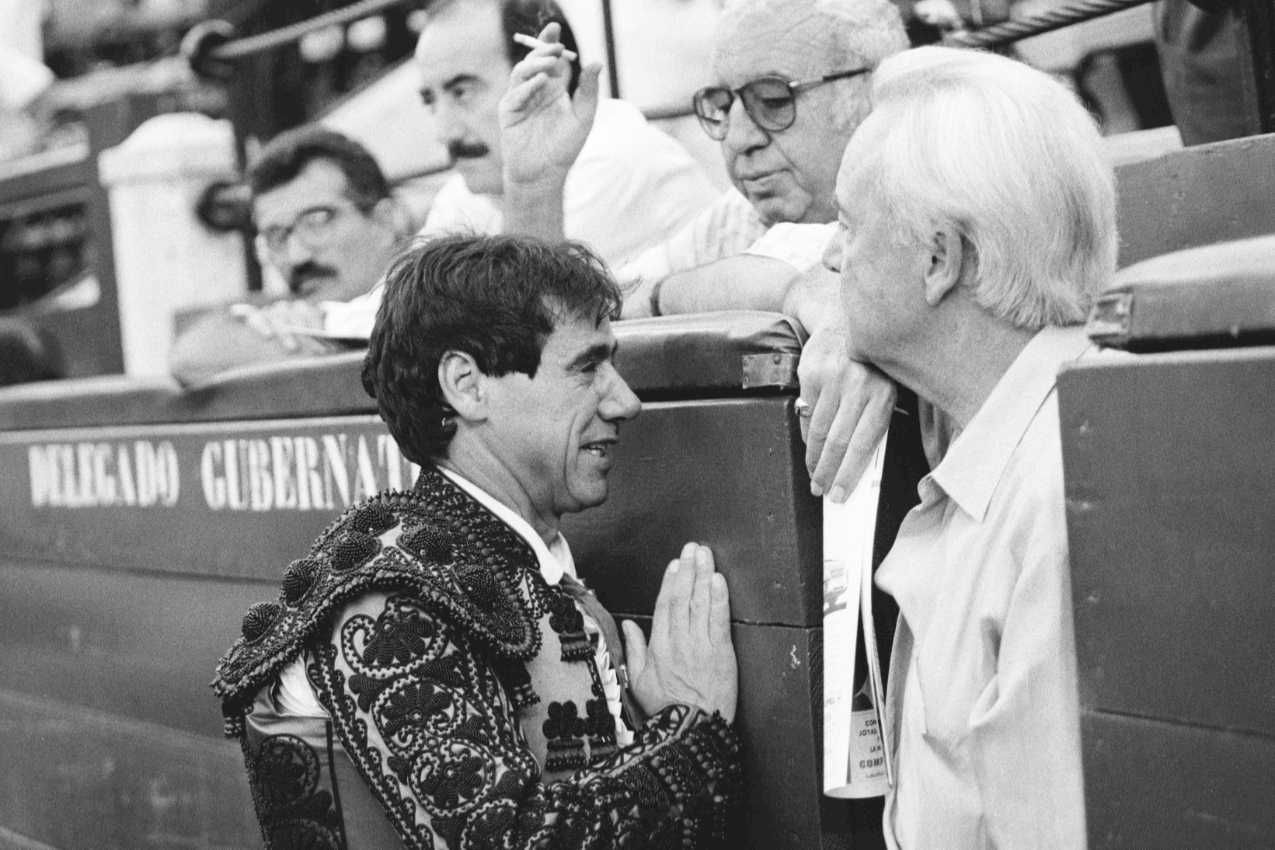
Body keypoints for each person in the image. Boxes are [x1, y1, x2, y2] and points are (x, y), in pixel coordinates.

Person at [213, 234, 742, 848]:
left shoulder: (503, 561)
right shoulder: (392, 603)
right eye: (586, 367)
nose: (625, 400)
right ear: (467, 384)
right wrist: (690, 735)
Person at [823, 45, 1117, 848]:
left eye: (846, 225)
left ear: (938, 259)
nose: (828, 255)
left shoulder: (1062, 490)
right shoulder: (1018, 435)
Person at [501, 0, 910, 502]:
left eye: (774, 100)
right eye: (722, 105)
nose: (738, 139)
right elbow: (566, 323)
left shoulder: (926, 202)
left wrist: (670, 296)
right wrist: (534, 186)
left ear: (874, 91)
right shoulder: (737, 217)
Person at [413, 0, 718, 271]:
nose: (443, 133)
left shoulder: (611, 161)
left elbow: (526, 318)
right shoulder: (464, 193)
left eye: (461, 92)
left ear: (547, 73)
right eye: (430, 101)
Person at [167, 126, 411, 386]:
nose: (297, 256)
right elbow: (189, 356)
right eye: (276, 236)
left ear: (385, 221)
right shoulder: (293, 315)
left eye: (317, 220)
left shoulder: (435, 301)